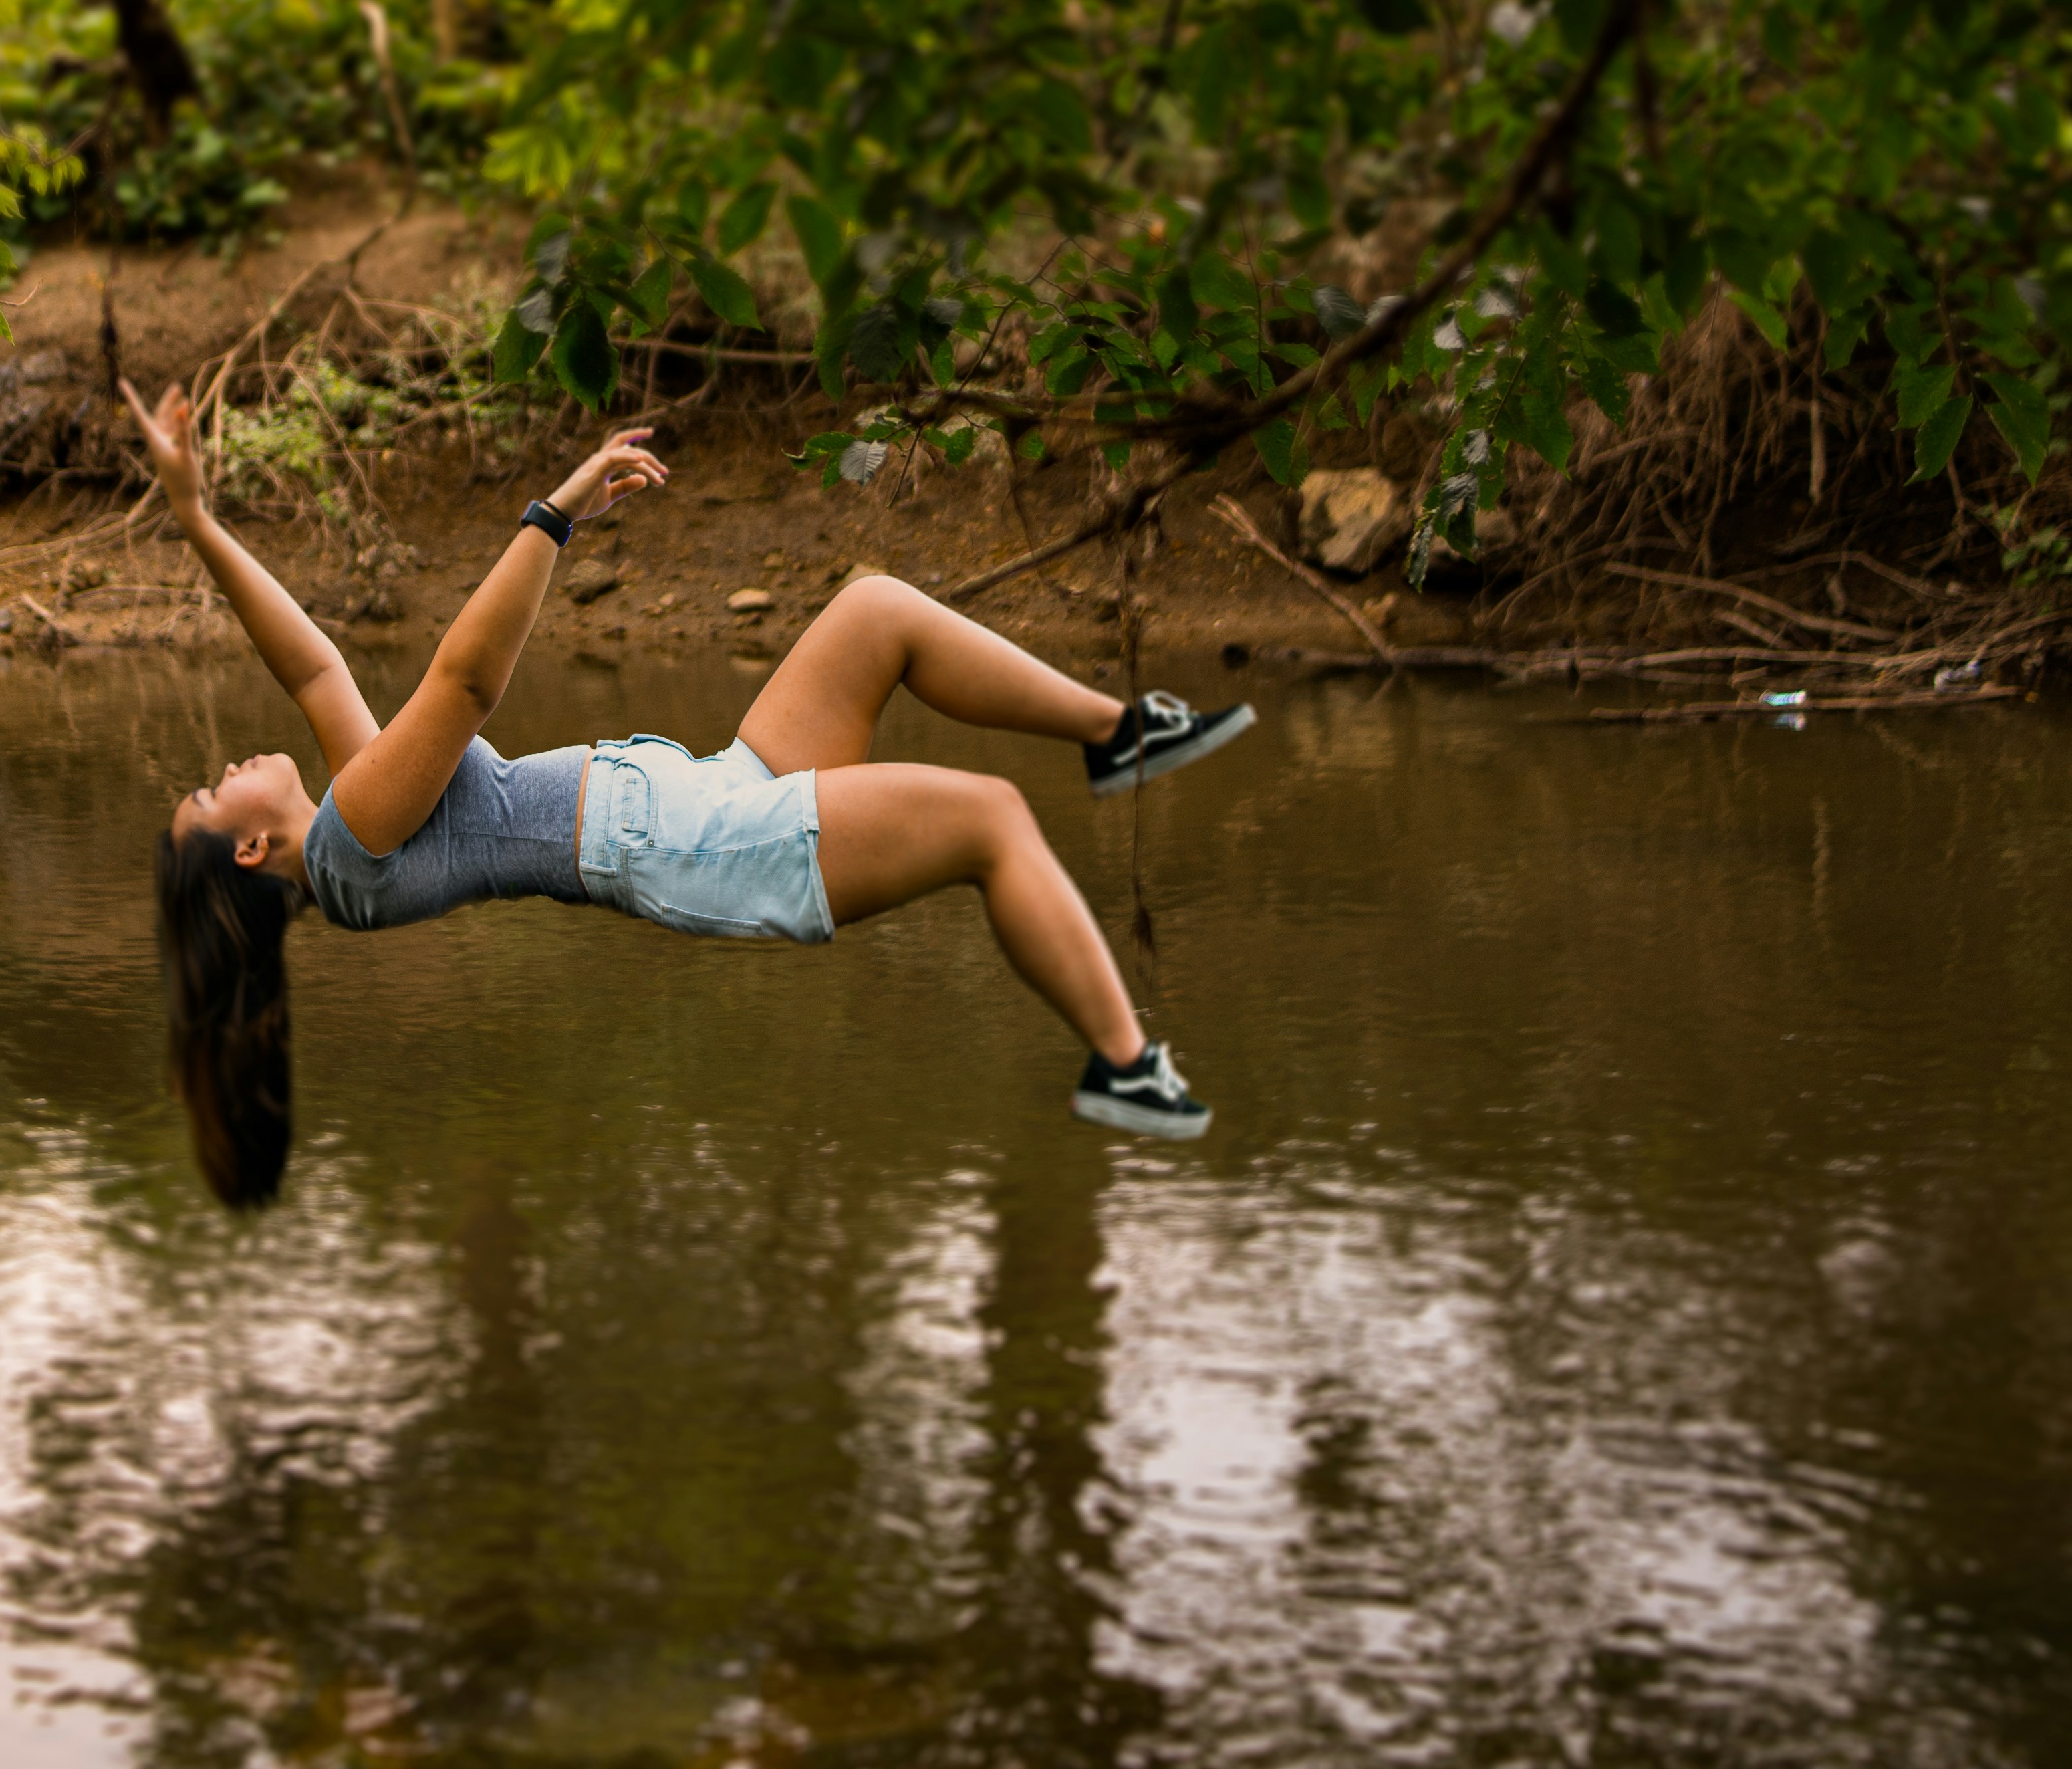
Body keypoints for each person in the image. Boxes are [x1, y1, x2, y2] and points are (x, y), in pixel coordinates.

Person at [121, 376, 1254, 1207]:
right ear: (251, 855)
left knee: (874, 613)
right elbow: (465, 680)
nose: (219, 774)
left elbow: (314, 664)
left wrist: (195, 521)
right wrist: (551, 515)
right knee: (991, 819)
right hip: (705, 846)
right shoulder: (351, 849)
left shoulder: (353, 830)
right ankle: (1124, 1067)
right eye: (206, 799)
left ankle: (1116, 735)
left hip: (711, 795)